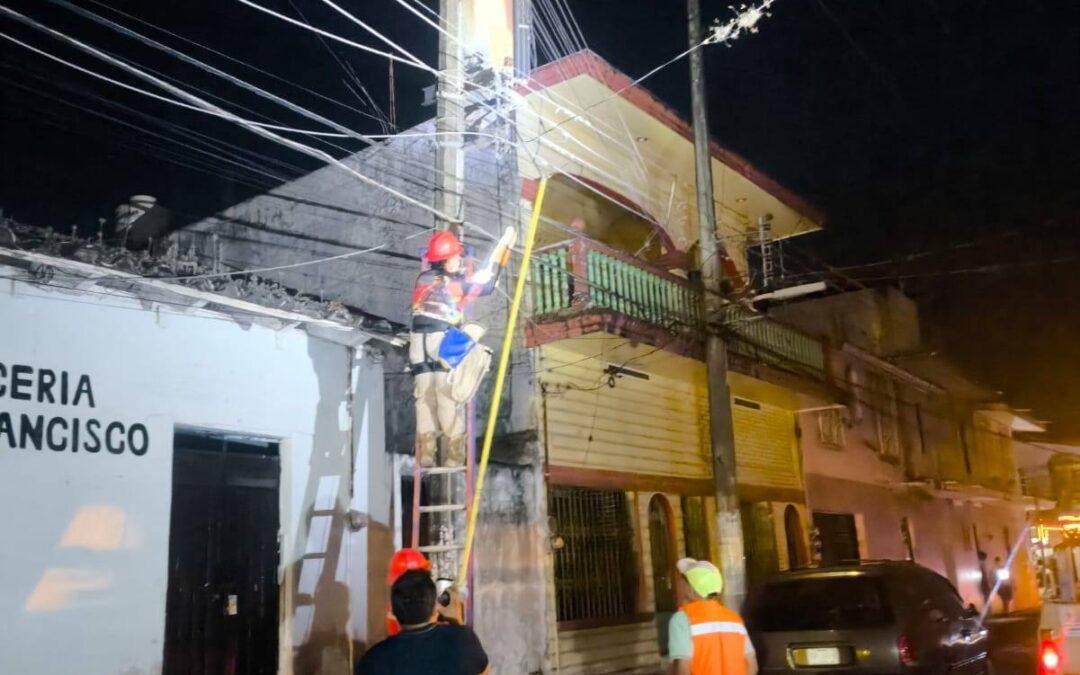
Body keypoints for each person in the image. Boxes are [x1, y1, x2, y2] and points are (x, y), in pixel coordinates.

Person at [410, 228, 515, 468]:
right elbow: (487, 285)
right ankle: (450, 450)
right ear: (445, 260)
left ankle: (435, 451)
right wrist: (502, 256)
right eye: (456, 257)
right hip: (436, 340)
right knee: (438, 395)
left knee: (428, 396)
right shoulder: (455, 283)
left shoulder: (423, 278)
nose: (459, 260)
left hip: (423, 341)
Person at [357, 570, 490, 675]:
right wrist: (456, 622)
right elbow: (482, 671)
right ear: (434, 608)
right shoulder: (462, 639)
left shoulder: (373, 660)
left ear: (393, 610)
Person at [668, 558, 757, 675]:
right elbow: (752, 665)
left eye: (683, 580)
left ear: (691, 589)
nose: (680, 584)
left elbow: (683, 669)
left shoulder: (682, 620)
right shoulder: (734, 619)